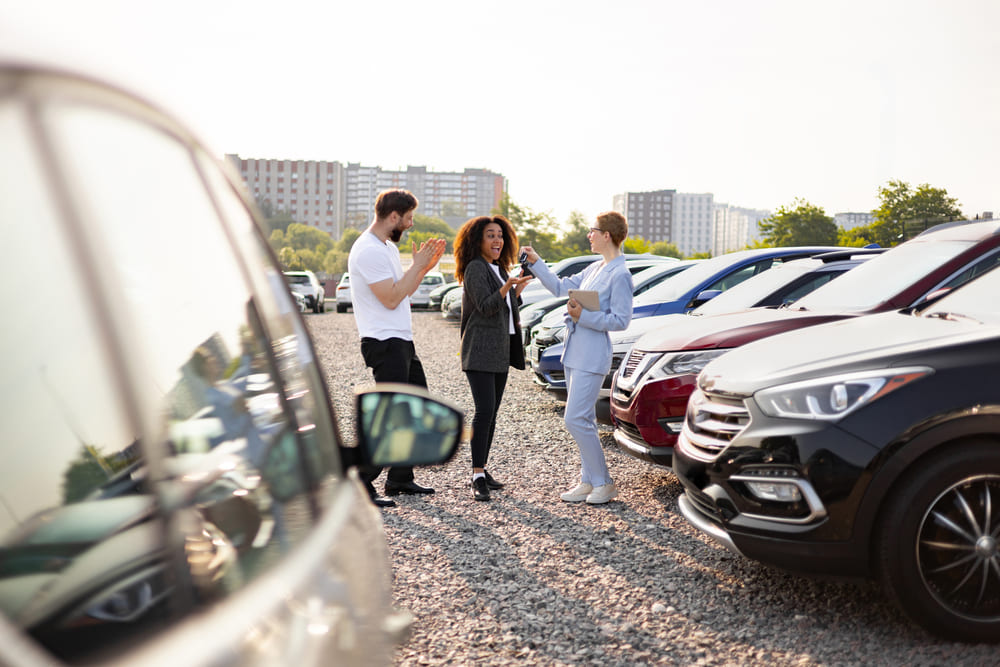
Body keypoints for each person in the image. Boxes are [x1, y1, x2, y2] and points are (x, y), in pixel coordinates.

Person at [520, 211, 633, 505]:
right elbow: (560, 287)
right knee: (584, 419)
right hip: (574, 352)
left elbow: (621, 320)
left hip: (593, 355)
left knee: (574, 419)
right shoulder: (596, 267)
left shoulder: (620, 274)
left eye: (593, 230)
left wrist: (584, 316)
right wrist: (536, 263)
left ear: (607, 235)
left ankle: (604, 483)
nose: (589, 235)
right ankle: (588, 480)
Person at [347, 189, 447, 508]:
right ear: (394, 216)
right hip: (383, 342)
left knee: (417, 407)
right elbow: (390, 298)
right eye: (409, 218)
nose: (411, 224)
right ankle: (361, 482)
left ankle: (400, 477)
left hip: (401, 339)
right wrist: (416, 266)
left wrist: (423, 268)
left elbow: (403, 291)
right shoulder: (368, 250)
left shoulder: (386, 247)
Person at [453, 215, 533, 501]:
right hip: (479, 350)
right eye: (490, 235)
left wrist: (516, 289)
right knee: (484, 412)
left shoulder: (498, 268)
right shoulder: (475, 268)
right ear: (478, 240)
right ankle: (476, 475)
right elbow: (486, 307)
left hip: (500, 350)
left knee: (492, 414)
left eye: (500, 235)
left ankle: (482, 468)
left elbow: (505, 306)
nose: (497, 240)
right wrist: (507, 286)